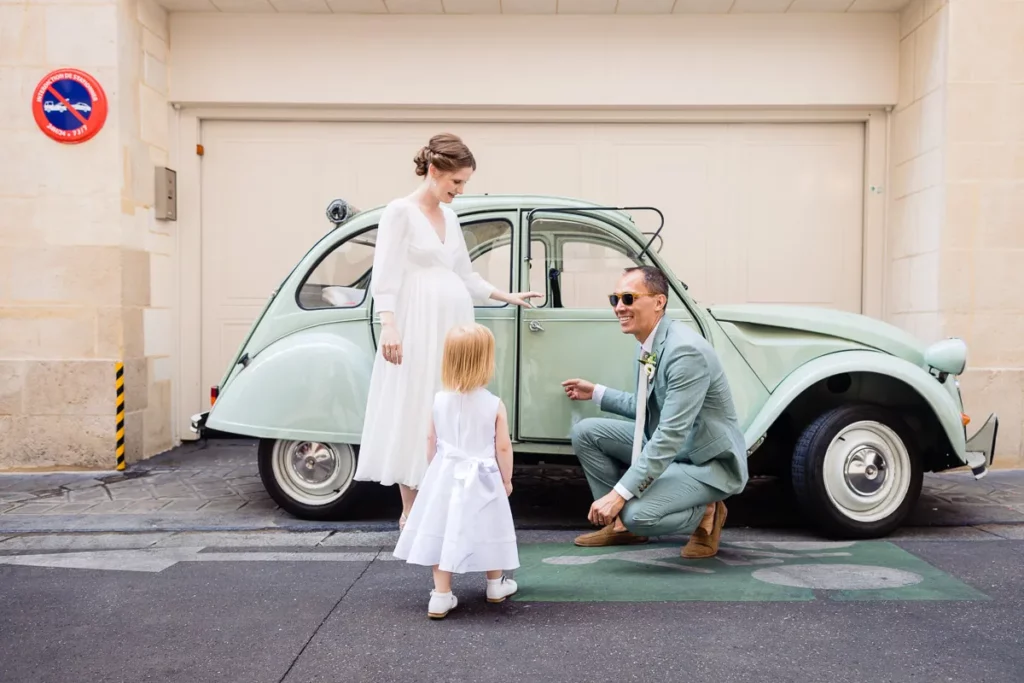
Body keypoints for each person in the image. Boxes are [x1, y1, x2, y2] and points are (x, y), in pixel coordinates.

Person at [354, 133, 540, 528]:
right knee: (416, 401)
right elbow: (385, 275)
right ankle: (410, 513)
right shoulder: (399, 212)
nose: (460, 190)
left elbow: (466, 275)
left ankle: (444, 505)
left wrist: (505, 295)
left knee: (452, 403)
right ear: (435, 170)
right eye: (456, 181)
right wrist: (389, 325)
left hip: (453, 325)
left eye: (464, 183)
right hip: (417, 323)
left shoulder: (451, 218)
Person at [561, 266, 748, 558]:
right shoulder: (651, 341)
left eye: (628, 298)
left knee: (637, 514)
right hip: (674, 447)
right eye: (614, 299)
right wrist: (596, 392)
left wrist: (619, 494)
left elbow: (670, 436)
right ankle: (620, 527)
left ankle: (706, 514)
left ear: (659, 302)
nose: (619, 307)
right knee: (586, 433)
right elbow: (647, 406)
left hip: (703, 461)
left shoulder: (684, 352)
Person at [392, 323, 519, 619]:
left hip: (446, 474)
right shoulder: (494, 405)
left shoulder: (439, 400)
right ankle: (495, 584)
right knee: (489, 526)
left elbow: (430, 440)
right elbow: (503, 447)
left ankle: (441, 595)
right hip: (483, 478)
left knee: (442, 530)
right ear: (486, 361)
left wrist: (435, 470)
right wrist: (506, 479)